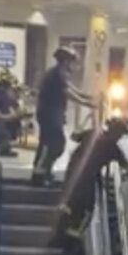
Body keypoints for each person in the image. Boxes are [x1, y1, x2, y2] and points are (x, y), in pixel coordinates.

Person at [52, 114, 128, 246]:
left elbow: (74, 137)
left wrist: (84, 124)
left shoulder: (93, 133)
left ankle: (59, 234)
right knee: (87, 210)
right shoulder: (112, 147)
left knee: (69, 206)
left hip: (72, 174)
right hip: (86, 180)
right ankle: (72, 239)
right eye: (121, 133)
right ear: (117, 131)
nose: (120, 137)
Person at [32, 46, 95, 186]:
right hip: (49, 115)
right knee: (51, 145)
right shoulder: (56, 74)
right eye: (73, 62)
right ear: (65, 61)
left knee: (55, 144)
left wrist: (88, 97)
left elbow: (72, 88)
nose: (75, 66)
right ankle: (39, 175)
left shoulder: (60, 73)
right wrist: (86, 102)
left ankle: (45, 173)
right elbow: (67, 92)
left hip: (54, 115)